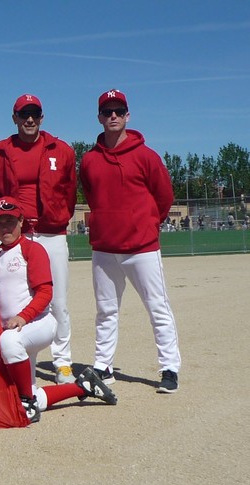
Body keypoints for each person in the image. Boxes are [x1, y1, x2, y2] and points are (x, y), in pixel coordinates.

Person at [80, 89, 182, 394]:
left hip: (142, 248)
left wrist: (147, 223)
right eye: (107, 111)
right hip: (105, 248)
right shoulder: (89, 160)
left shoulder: (147, 156)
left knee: (157, 308)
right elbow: (91, 194)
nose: (113, 116)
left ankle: (169, 368)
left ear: (127, 116)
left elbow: (164, 198)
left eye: (118, 111)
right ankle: (103, 365)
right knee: (106, 310)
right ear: (99, 117)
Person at [0, 197, 117, 423]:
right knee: (17, 395)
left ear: (21, 221)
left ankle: (28, 404)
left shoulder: (31, 248)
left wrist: (23, 317)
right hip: (17, 332)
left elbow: (46, 293)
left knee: (9, 343)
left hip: (38, 323)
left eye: (10, 221)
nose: (5, 227)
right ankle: (83, 387)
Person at [0, 93, 78, 384]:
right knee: (17, 301)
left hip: (51, 233)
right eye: (23, 114)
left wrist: (58, 217)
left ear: (42, 117)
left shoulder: (61, 150)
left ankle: (63, 362)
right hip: (19, 235)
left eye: (34, 114)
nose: (29, 119)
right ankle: (27, 361)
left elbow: (70, 193)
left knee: (58, 301)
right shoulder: (0, 155)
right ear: (14, 118)